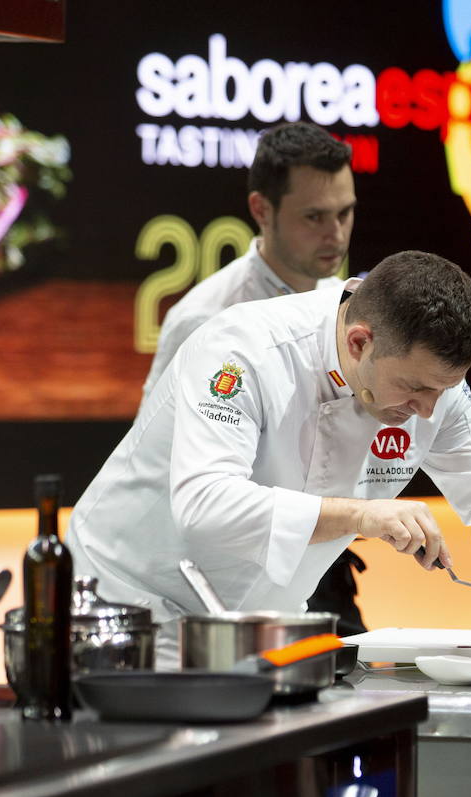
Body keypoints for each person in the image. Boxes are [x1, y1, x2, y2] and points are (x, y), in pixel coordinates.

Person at [71, 250, 471, 665]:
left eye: (445, 389)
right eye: (415, 388)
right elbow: (204, 505)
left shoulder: (434, 391)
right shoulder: (245, 350)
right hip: (128, 609)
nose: (428, 409)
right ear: (359, 342)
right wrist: (361, 515)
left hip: (263, 629)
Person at [140, 121, 369, 633]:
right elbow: (156, 465)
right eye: (314, 216)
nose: (335, 233)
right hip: (225, 578)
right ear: (262, 209)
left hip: (321, 565)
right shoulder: (205, 321)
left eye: (345, 213)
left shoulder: (349, 310)